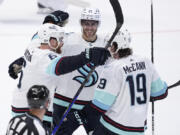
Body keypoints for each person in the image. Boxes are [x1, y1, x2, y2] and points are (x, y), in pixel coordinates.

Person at [57, 29, 168, 135]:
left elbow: (99, 106)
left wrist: (77, 116)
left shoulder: (113, 68)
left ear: (116, 46)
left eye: (111, 45)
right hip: (138, 130)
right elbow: (161, 93)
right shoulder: (146, 62)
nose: (108, 48)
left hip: (113, 128)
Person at [10, 23, 110, 131]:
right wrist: (86, 56)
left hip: (24, 104)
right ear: (51, 41)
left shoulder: (34, 45)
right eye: (59, 40)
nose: (62, 43)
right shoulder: (44, 57)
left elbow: (38, 35)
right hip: (31, 108)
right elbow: (61, 65)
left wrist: (50, 21)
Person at [52, 7, 108, 134]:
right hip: (64, 101)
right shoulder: (68, 40)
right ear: (81, 23)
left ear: (98, 24)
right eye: (86, 23)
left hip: (91, 106)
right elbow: (48, 56)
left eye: (93, 24)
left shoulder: (105, 45)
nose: (89, 27)